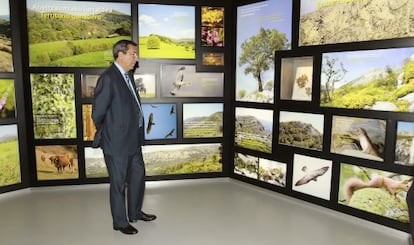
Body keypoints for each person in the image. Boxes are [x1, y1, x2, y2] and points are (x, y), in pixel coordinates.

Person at [92, 39, 156, 235]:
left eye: (136, 54)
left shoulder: (127, 77)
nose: (136, 58)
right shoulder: (108, 78)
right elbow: (97, 114)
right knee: (118, 184)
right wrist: (112, 132)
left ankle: (135, 212)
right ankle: (120, 222)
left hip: (133, 141)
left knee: (138, 177)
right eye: (133, 54)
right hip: (117, 143)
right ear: (120, 54)